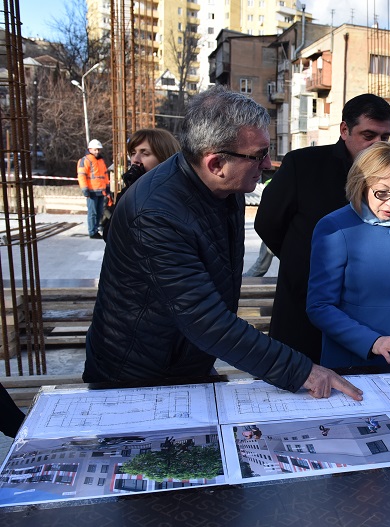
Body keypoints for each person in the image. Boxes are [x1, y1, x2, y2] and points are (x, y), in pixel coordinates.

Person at [83, 86, 362, 402]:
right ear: (215, 163)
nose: (267, 165)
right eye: (258, 155)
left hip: (185, 359)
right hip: (134, 375)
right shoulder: (156, 213)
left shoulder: (226, 186)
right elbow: (204, 318)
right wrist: (303, 371)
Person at [254, 94, 390, 363]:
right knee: (301, 374)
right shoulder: (303, 164)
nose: (377, 144)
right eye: (368, 135)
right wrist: (304, 259)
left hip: (362, 305)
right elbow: (267, 222)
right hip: (303, 299)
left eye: (384, 137)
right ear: (344, 130)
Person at [306, 142, 390, 368]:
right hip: (356, 361)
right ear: (361, 185)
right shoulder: (335, 227)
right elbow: (320, 306)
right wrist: (372, 341)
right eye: (382, 193)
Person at [101, 128, 181, 240]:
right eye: (133, 153)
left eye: (145, 153)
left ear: (165, 158)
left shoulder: (175, 195)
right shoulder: (129, 191)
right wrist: (130, 192)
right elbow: (110, 234)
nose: (135, 159)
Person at [77, 138, 110, 239]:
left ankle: (96, 229)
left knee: (99, 212)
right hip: (91, 191)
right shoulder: (85, 160)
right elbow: (81, 176)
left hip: (101, 190)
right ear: (90, 149)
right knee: (93, 213)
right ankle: (92, 232)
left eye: (98, 149)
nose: (97, 151)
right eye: (95, 149)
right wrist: (85, 189)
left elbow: (105, 175)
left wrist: (107, 187)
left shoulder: (100, 161)